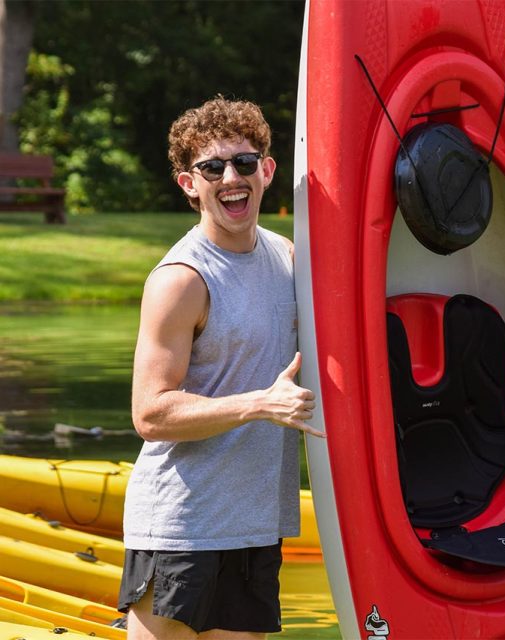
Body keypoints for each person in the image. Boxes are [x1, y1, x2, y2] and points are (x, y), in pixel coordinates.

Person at [118, 96, 325, 640]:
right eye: (213, 168)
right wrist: (260, 403)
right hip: (183, 526)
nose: (231, 177)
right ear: (190, 184)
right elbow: (151, 413)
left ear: (268, 170)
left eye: (244, 162)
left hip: (256, 525)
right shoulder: (181, 280)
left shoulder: (288, 259)